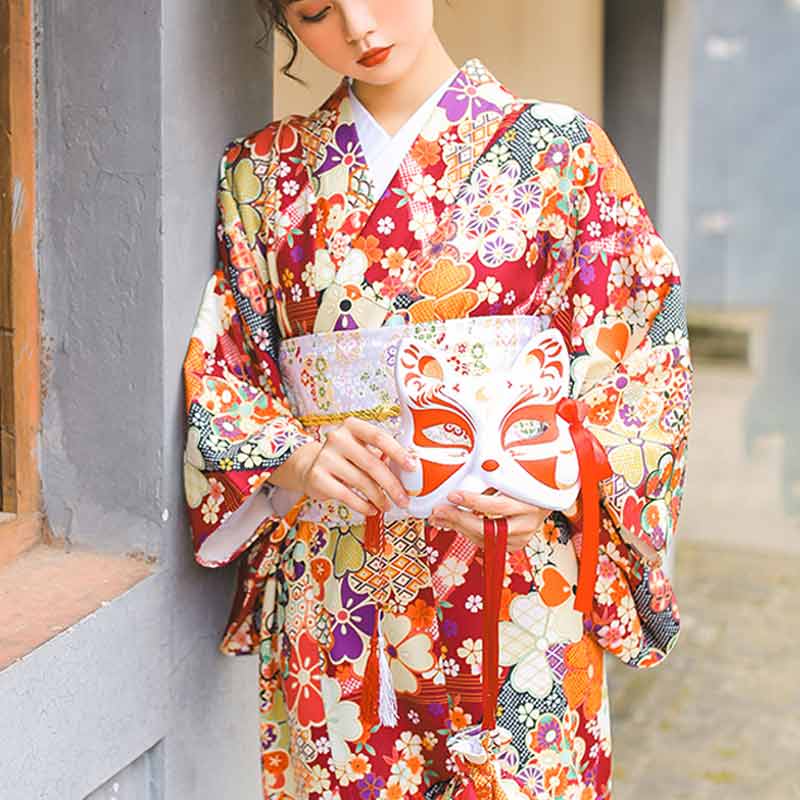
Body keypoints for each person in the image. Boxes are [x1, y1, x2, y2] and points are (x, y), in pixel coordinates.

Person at [181, 1, 693, 797]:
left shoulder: (557, 150)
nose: (357, 29)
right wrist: (295, 454)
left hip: (515, 562)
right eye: (316, 11)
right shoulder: (260, 173)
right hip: (339, 574)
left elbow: (641, 353)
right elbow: (225, 366)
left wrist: (559, 475)